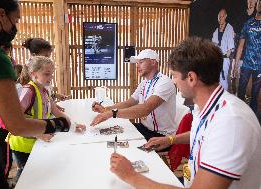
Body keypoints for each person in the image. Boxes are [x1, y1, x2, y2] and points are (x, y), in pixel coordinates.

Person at [110, 37, 261, 189]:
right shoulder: (206, 107)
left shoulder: (231, 121)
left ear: (191, 78)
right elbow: (203, 134)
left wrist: (132, 176)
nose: (173, 82)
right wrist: (170, 140)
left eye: (174, 76)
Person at [0, 1, 70, 188]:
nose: (15, 27)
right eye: (16, 20)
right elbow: (16, 124)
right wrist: (59, 125)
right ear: (1, 14)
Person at [8, 56, 86, 182]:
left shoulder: (45, 90)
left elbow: (56, 111)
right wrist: (39, 135)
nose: (50, 78)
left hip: (35, 142)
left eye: (52, 74)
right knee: (26, 176)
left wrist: (72, 125)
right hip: (23, 144)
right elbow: (15, 120)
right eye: (47, 74)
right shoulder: (28, 91)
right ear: (34, 74)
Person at [91, 49, 176, 141]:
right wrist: (105, 109)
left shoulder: (164, 82)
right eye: (137, 63)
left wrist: (112, 113)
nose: (137, 65)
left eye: (141, 62)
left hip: (160, 135)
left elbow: (145, 109)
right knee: (111, 136)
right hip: (143, 128)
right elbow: (129, 103)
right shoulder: (144, 83)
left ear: (153, 62)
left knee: (120, 143)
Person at [233, 0, 261, 115]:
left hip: (259, 66)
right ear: (256, 6)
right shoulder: (248, 23)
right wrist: (235, 65)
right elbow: (240, 46)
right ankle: (239, 115)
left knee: (255, 94)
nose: (259, 5)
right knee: (241, 91)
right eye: (258, 3)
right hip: (246, 65)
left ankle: (253, 119)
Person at [212, 9, 235, 91]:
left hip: (224, 58)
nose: (220, 18)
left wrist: (227, 54)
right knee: (217, 78)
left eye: (222, 16)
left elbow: (231, 46)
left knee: (223, 78)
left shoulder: (229, 28)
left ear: (225, 16)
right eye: (219, 17)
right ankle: (218, 96)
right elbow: (214, 44)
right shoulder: (216, 30)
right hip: (217, 58)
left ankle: (225, 96)